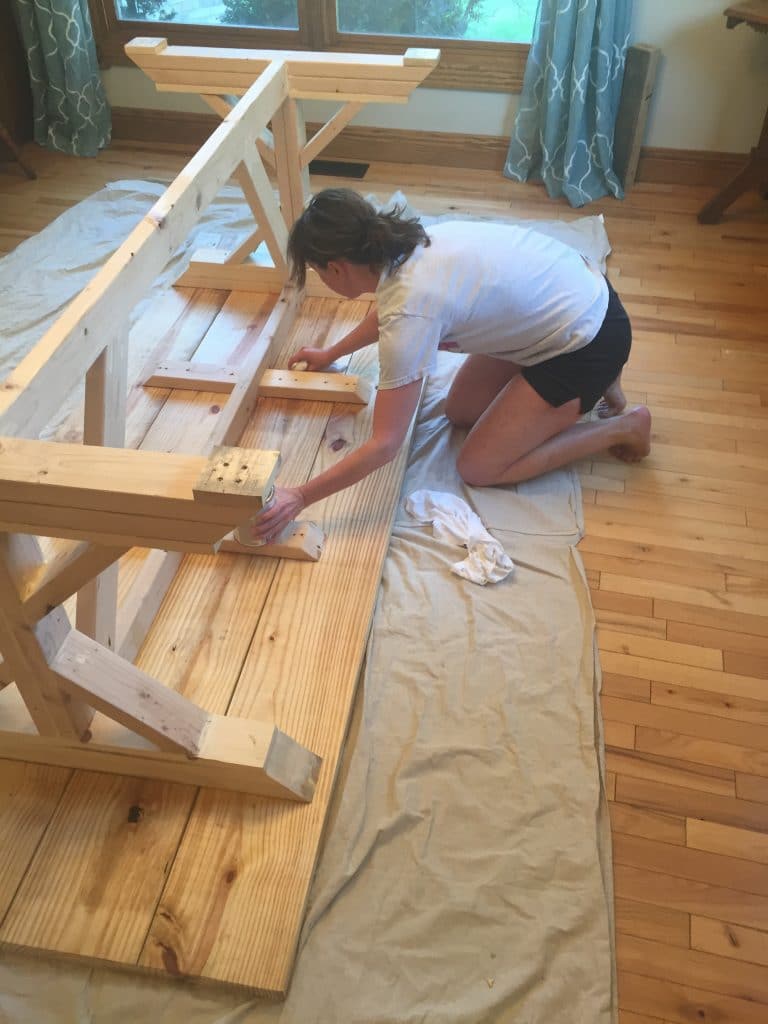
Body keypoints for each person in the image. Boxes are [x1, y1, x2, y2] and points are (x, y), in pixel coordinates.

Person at [250, 188, 651, 542]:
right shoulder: (403, 244)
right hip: (580, 294)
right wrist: (331, 353)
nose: (323, 280)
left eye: (319, 272)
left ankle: (624, 426)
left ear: (336, 267)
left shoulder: (411, 309)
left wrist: (299, 496)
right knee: (461, 410)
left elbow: (385, 443)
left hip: (587, 342)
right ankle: (602, 382)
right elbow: (390, 311)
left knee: (479, 466)